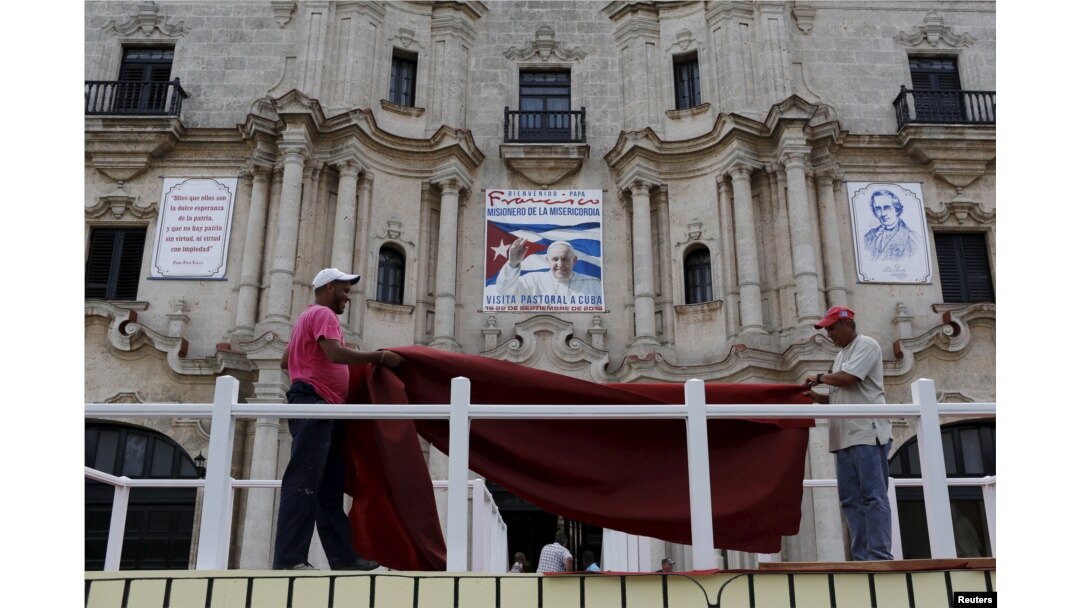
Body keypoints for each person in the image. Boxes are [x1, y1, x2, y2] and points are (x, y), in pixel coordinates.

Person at [272, 268, 404, 571]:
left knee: (327, 487)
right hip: (315, 404)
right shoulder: (323, 314)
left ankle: (344, 559)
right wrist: (378, 357)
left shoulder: (306, 318)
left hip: (320, 405)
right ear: (330, 288)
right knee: (304, 482)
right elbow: (333, 354)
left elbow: (285, 361)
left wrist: (307, 372)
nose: (348, 297)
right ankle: (289, 560)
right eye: (345, 291)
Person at [804, 306, 893, 561]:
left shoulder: (867, 344)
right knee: (851, 499)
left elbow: (848, 379)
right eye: (827, 329)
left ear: (847, 324)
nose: (829, 334)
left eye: (832, 328)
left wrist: (819, 377)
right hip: (844, 436)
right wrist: (818, 399)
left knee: (873, 495)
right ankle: (863, 557)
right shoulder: (841, 355)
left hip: (867, 432)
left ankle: (878, 556)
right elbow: (842, 393)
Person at [495, 238, 602, 299]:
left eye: (565, 259)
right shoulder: (532, 280)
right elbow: (505, 292)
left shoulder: (592, 284)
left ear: (574, 260)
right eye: (555, 259)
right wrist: (513, 263)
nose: (560, 264)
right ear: (547, 260)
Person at [861, 190, 921, 261]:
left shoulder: (913, 238)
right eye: (878, 209)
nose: (883, 214)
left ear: (897, 209)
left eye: (887, 208)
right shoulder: (868, 236)